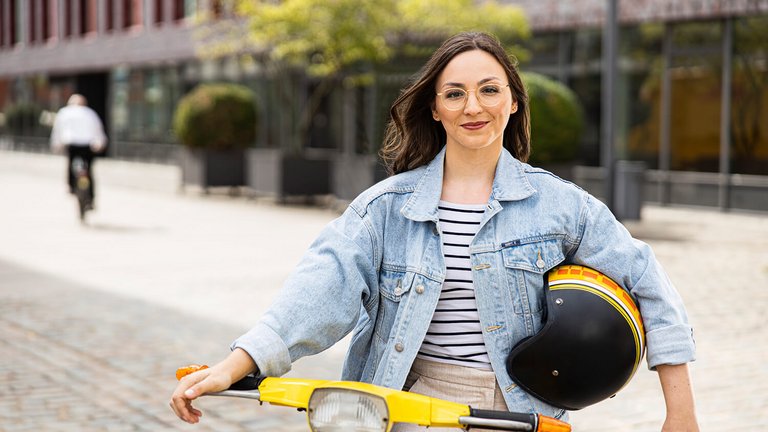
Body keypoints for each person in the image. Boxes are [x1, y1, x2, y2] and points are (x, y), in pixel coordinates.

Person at [170, 32, 699, 431]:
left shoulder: (561, 206)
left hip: (515, 413)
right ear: (436, 108)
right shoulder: (384, 210)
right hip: (407, 404)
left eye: (489, 90)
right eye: (455, 94)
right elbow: (314, 294)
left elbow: (649, 284)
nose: (474, 106)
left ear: (513, 102)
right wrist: (235, 365)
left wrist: (681, 412)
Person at [50, 94, 107, 207]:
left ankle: (72, 187)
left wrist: (56, 144)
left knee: (71, 167)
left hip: (73, 146)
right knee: (88, 170)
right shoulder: (90, 113)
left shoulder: (64, 112)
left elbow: (57, 131)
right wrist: (100, 143)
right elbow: (98, 130)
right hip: (87, 146)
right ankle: (90, 198)